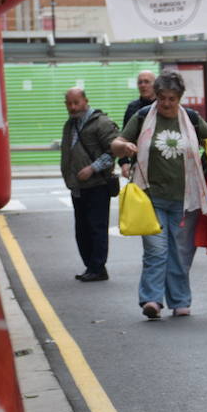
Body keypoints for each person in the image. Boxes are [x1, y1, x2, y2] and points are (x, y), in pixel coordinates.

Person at [111, 71, 207, 320]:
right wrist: (124, 147)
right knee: (156, 251)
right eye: (162, 98)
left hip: (184, 198)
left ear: (180, 97)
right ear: (156, 96)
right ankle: (152, 299)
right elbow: (116, 143)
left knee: (180, 252)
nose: (166, 103)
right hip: (150, 197)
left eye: (172, 98)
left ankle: (180, 300)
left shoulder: (190, 118)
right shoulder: (143, 117)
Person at [60, 88, 119, 282]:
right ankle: (91, 267)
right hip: (77, 187)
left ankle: (98, 268)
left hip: (97, 185)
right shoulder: (70, 125)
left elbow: (113, 152)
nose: (73, 107)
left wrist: (92, 168)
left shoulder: (101, 123)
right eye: (69, 103)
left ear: (86, 101)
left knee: (96, 228)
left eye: (76, 102)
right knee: (82, 229)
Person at [119, 69, 157, 178]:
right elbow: (124, 136)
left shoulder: (163, 106)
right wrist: (124, 162)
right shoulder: (132, 108)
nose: (143, 85)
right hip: (138, 161)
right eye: (140, 82)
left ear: (155, 84)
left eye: (146, 82)